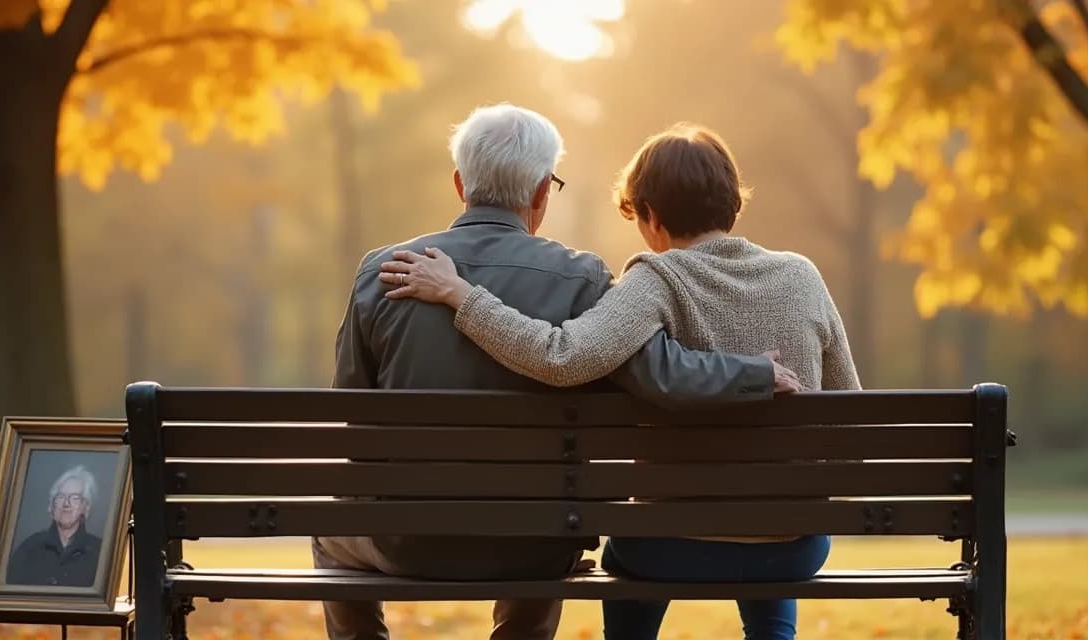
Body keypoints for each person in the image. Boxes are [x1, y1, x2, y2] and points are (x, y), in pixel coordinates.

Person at [318, 105, 798, 640]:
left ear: (460, 185)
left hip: (403, 540)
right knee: (542, 530)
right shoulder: (581, 279)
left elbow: (353, 420)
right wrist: (752, 375)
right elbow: (649, 373)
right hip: (536, 545)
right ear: (543, 192)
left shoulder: (384, 272)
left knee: (328, 533)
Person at [7, 465, 103, 587]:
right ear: (52, 505)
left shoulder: (99, 553)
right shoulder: (29, 548)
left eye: (75, 498)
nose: (66, 504)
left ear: (86, 506)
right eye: (61, 497)